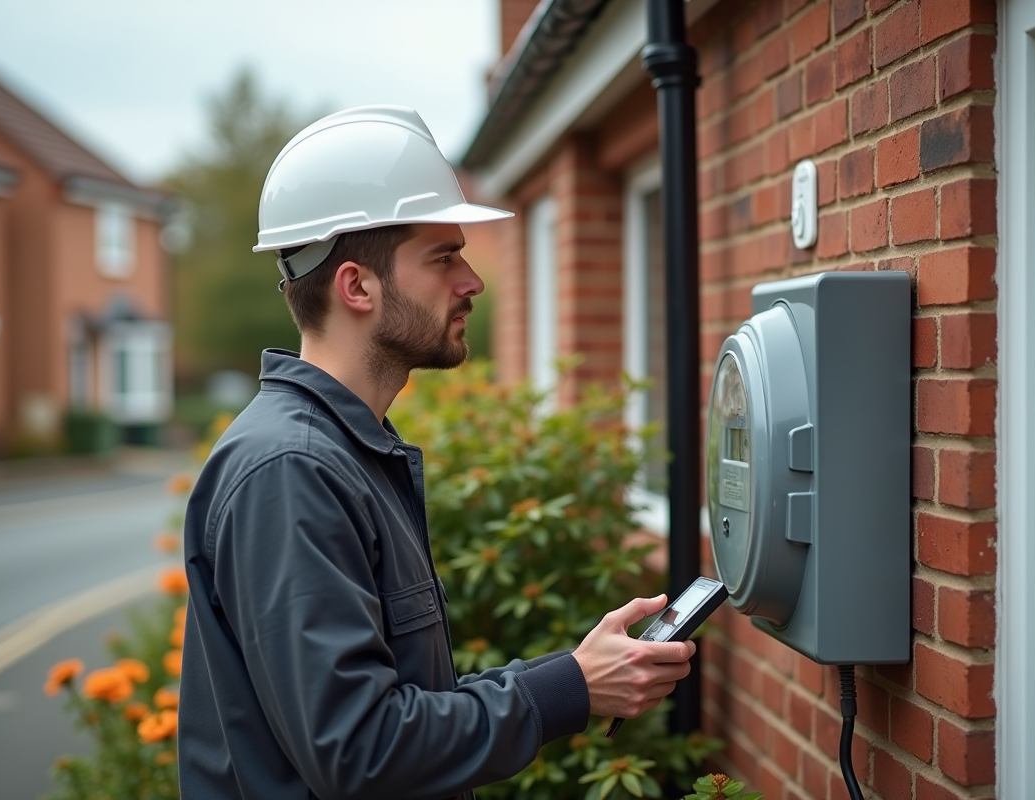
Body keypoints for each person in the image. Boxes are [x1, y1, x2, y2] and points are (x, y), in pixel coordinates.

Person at [177, 106, 695, 800]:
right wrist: (568, 689)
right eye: (443, 257)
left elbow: (403, 700)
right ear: (357, 286)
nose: (472, 281)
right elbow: (362, 751)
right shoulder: (292, 470)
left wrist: (576, 674)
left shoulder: (346, 449)